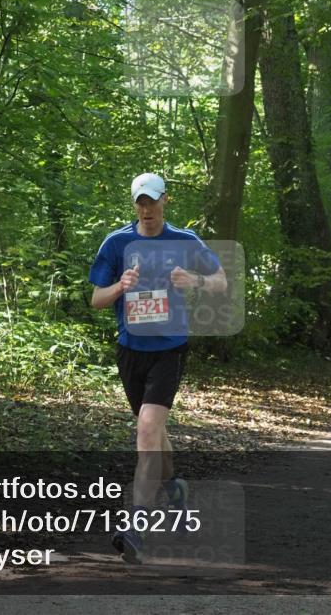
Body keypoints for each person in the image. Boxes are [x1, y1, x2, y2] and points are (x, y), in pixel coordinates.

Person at [89, 173, 227, 564]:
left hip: (170, 349)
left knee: (147, 429)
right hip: (131, 350)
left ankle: (136, 527)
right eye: (140, 202)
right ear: (134, 204)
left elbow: (220, 281)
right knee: (155, 433)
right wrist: (120, 287)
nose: (146, 209)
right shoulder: (116, 243)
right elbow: (96, 299)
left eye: (152, 201)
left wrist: (194, 279)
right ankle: (175, 490)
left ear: (165, 199)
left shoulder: (185, 240)